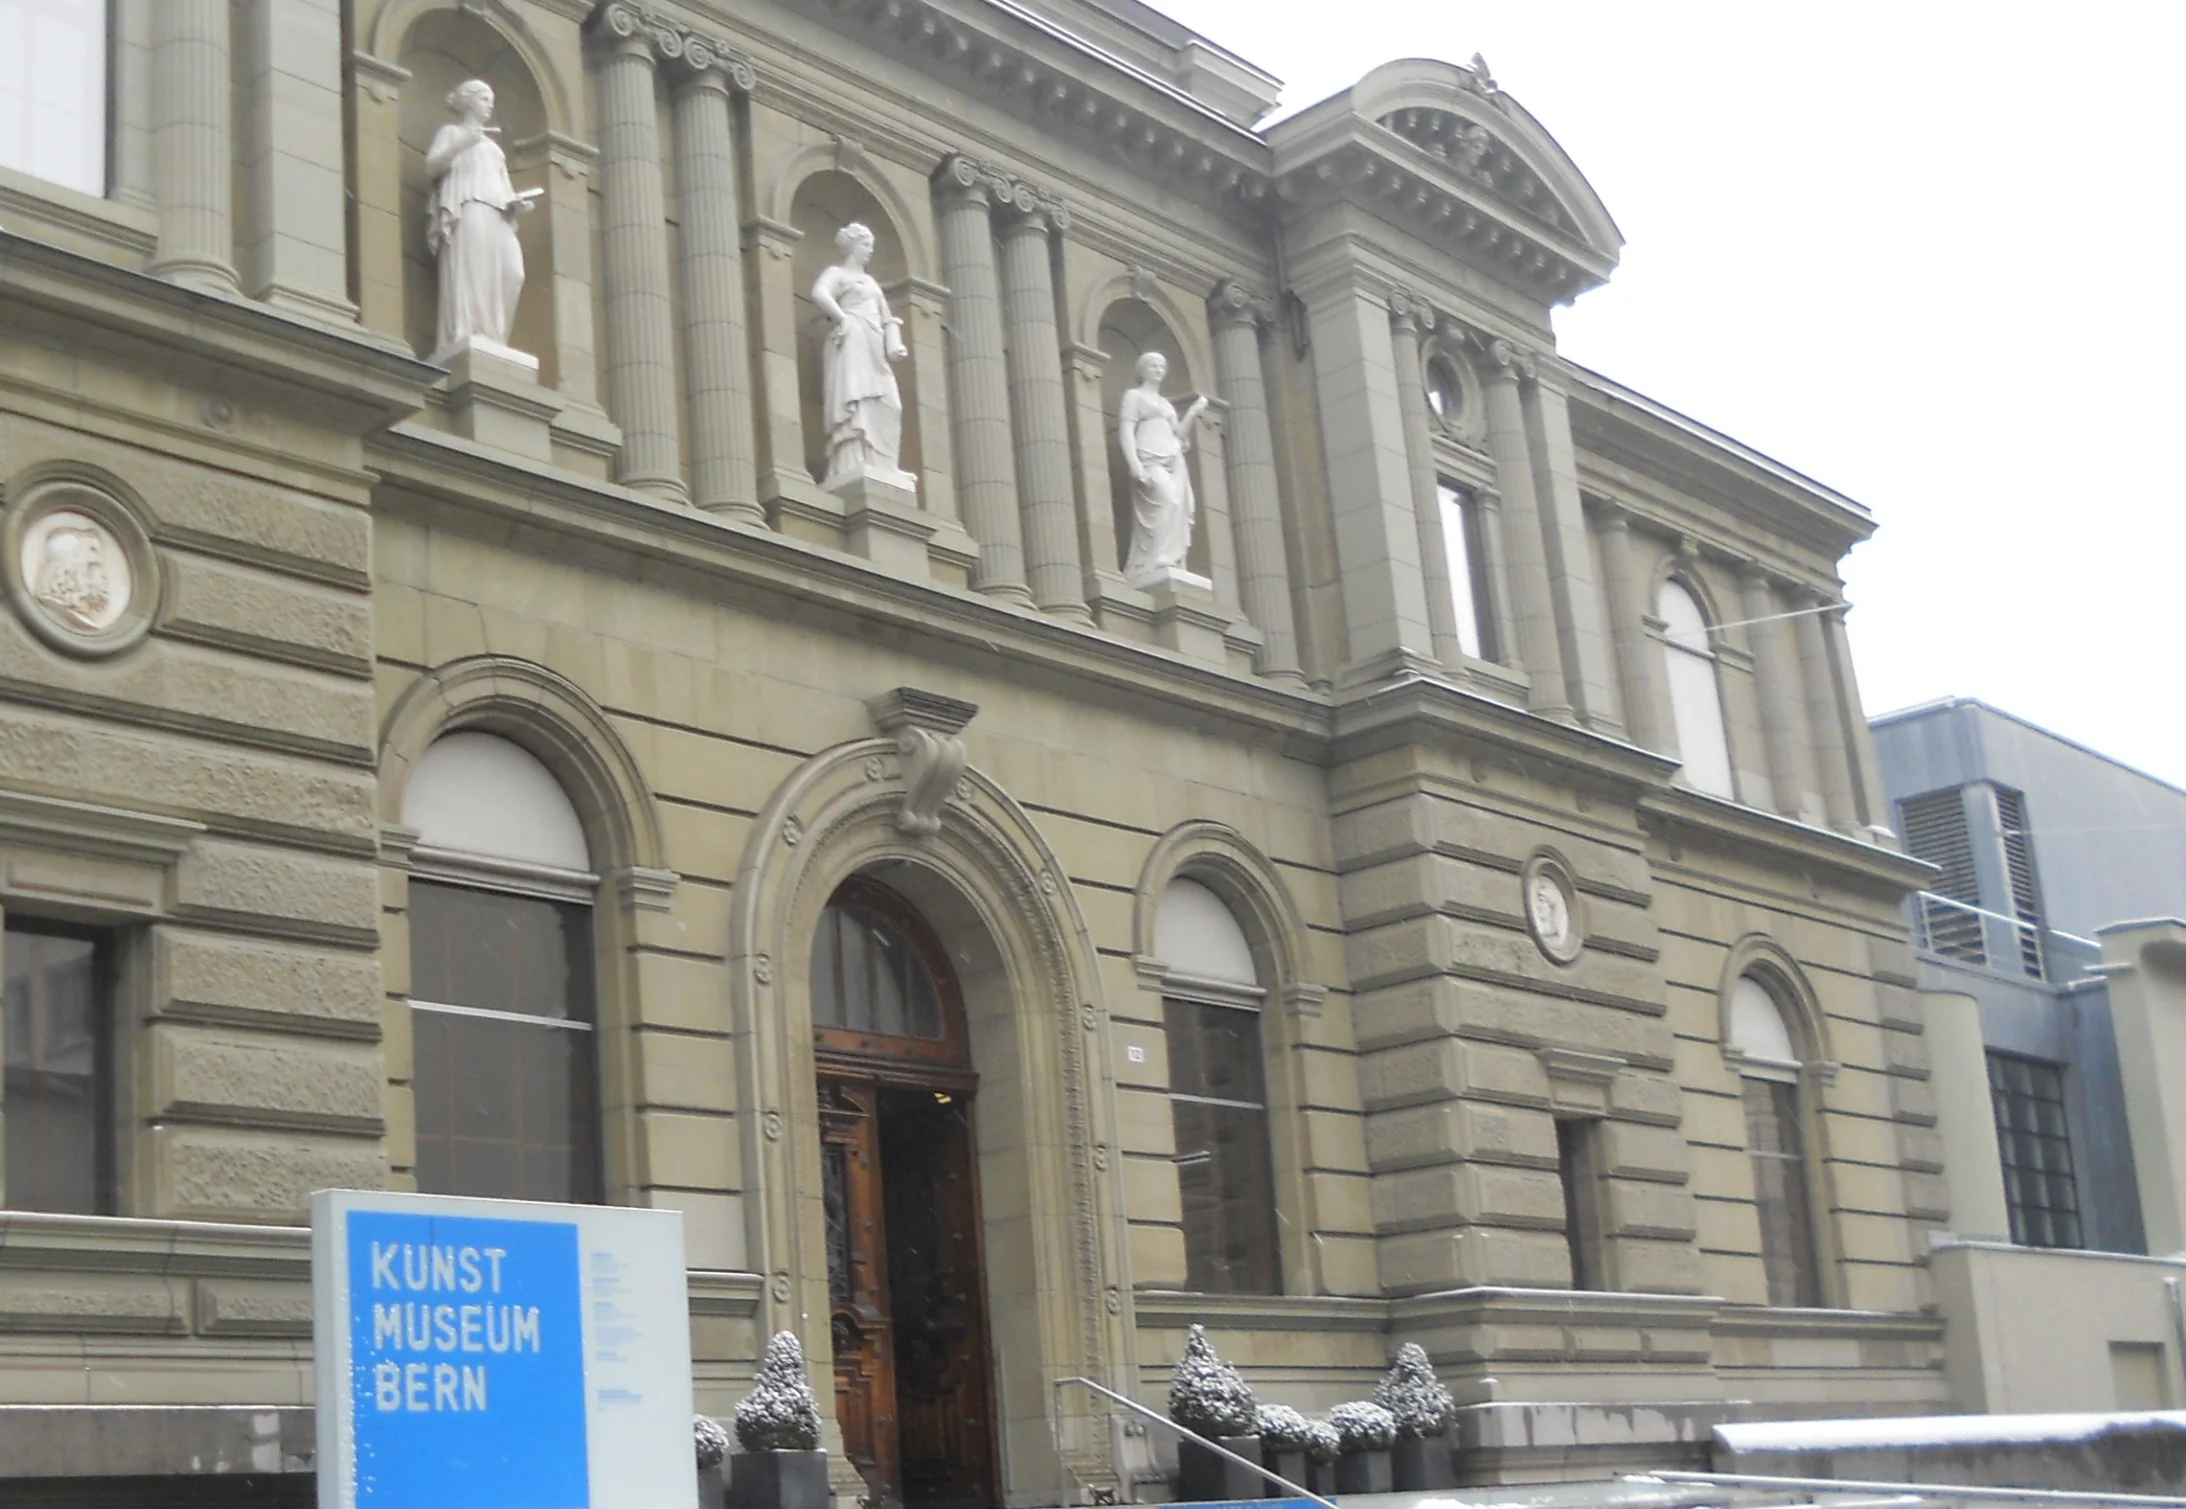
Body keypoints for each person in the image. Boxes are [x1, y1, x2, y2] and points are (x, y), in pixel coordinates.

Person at [425, 80, 533, 359]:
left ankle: (496, 337)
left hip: (498, 213)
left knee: (513, 273)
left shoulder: (494, 149)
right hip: (469, 207)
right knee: (472, 272)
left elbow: (503, 186)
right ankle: (469, 331)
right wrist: (463, 143)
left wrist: (517, 204)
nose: (490, 104)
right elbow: (432, 166)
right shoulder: (452, 132)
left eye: (491, 99)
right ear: (469, 101)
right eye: (485, 98)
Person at [811, 223, 909, 484]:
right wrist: (842, 319)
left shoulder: (871, 282)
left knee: (891, 404)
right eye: (866, 245)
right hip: (852, 339)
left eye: (872, 247)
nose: (870, 251)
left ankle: (884, 463)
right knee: (856, 400)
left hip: (874, 344)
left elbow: (888, 318)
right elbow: (819, 293)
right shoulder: (837, 273)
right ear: (852, 246)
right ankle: (853, 461)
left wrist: (894, 342)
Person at [1117, 351, 1207, 586]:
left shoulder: (1166, 404)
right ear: (1143, 369)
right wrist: (1134, 464)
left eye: (1161, 366)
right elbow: (1126, 430)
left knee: (1177, 503)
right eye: (1153, 366)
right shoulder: (1133, 396)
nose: (1158, 370)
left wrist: (1193, 412)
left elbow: (1179, 433)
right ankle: (1151, 561)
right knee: (1166, 500)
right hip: (1149, 458)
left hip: (1173, 458)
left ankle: (1170, 560)